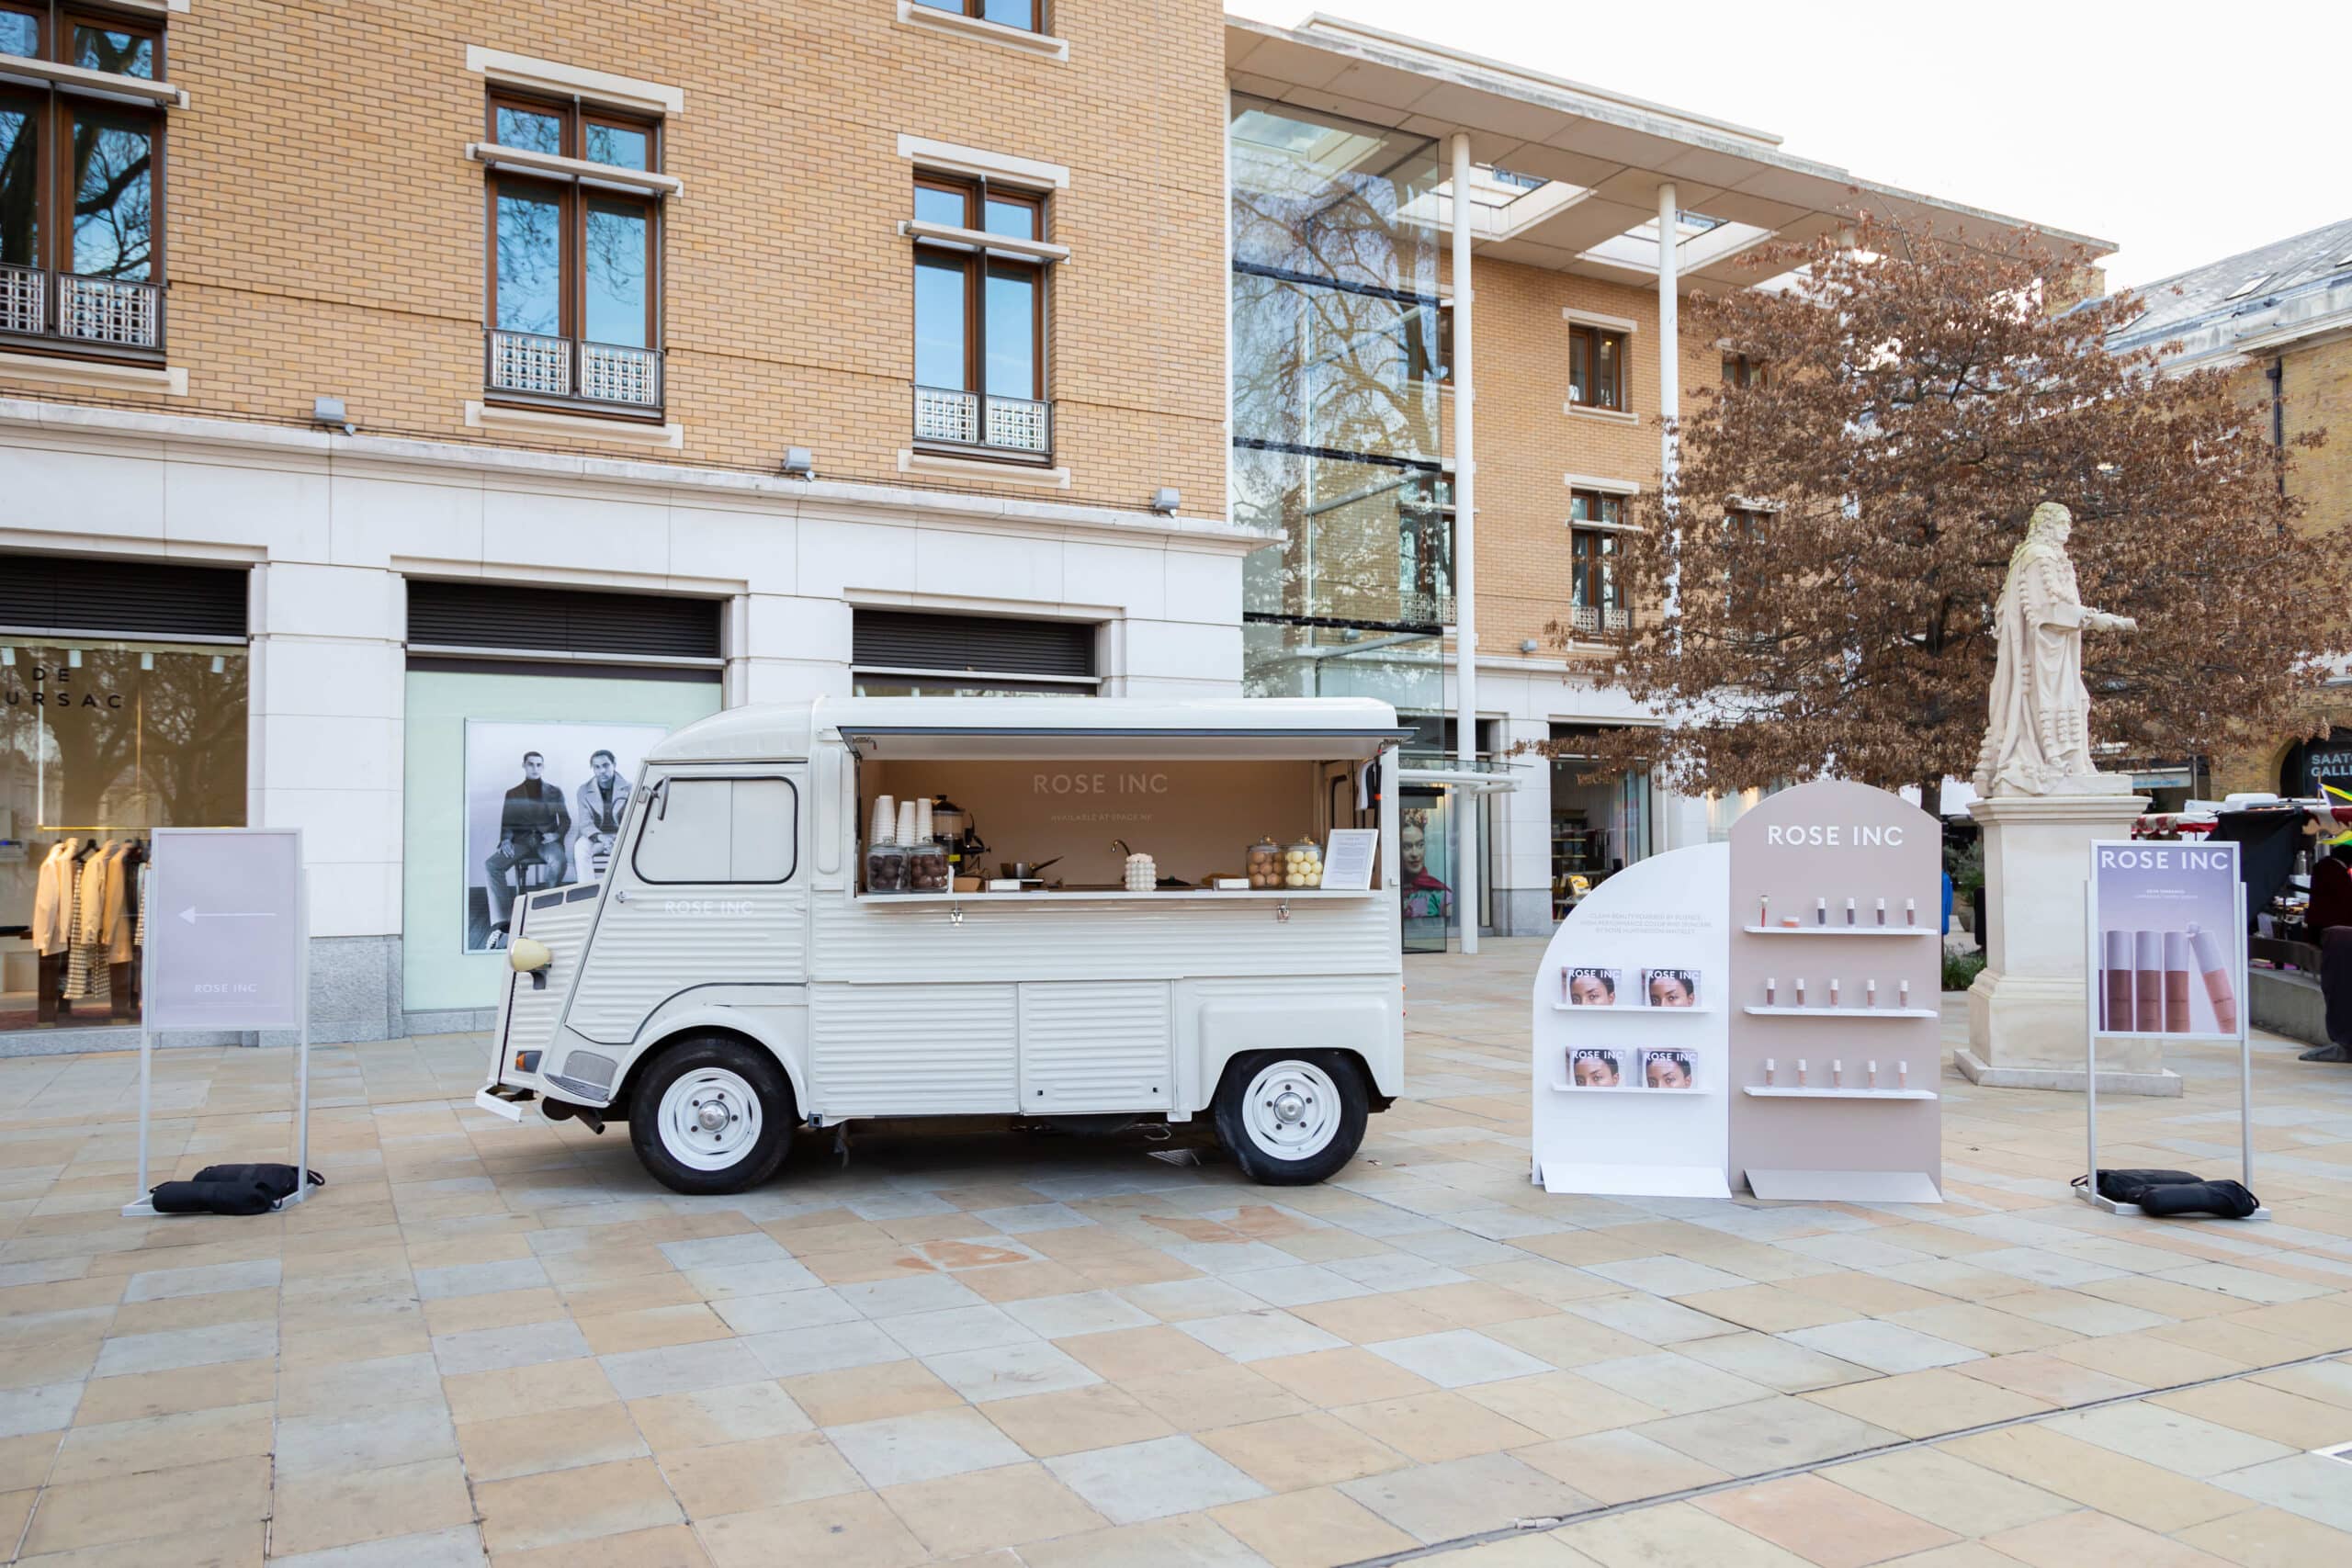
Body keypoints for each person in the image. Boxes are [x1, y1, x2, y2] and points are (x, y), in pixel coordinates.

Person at [483, 751, 571, 947]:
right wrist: (506, 840)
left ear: (543, 767)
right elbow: (507, 823)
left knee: (560, 860)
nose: (535, 768)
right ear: (524, 765)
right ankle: (502, 924)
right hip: (521, 841)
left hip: (547, 842)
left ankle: (547, 907)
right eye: (531, 764)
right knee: (491, 865)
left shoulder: (554, 791)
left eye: (539, 765)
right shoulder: (513, 793)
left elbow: (565, 820)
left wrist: (556, 835)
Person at [569, 749, 633, 881]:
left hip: (622, 836)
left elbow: (634, 820)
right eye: (597, 767)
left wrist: (618, 838)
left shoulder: (631, 788)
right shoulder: (583, 790)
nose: (602, 771)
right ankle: (586, 890)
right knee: (580, 848)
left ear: (614, 764)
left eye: (606, 765)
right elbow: (585, 823)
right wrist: (602, 838)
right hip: (596, 836)